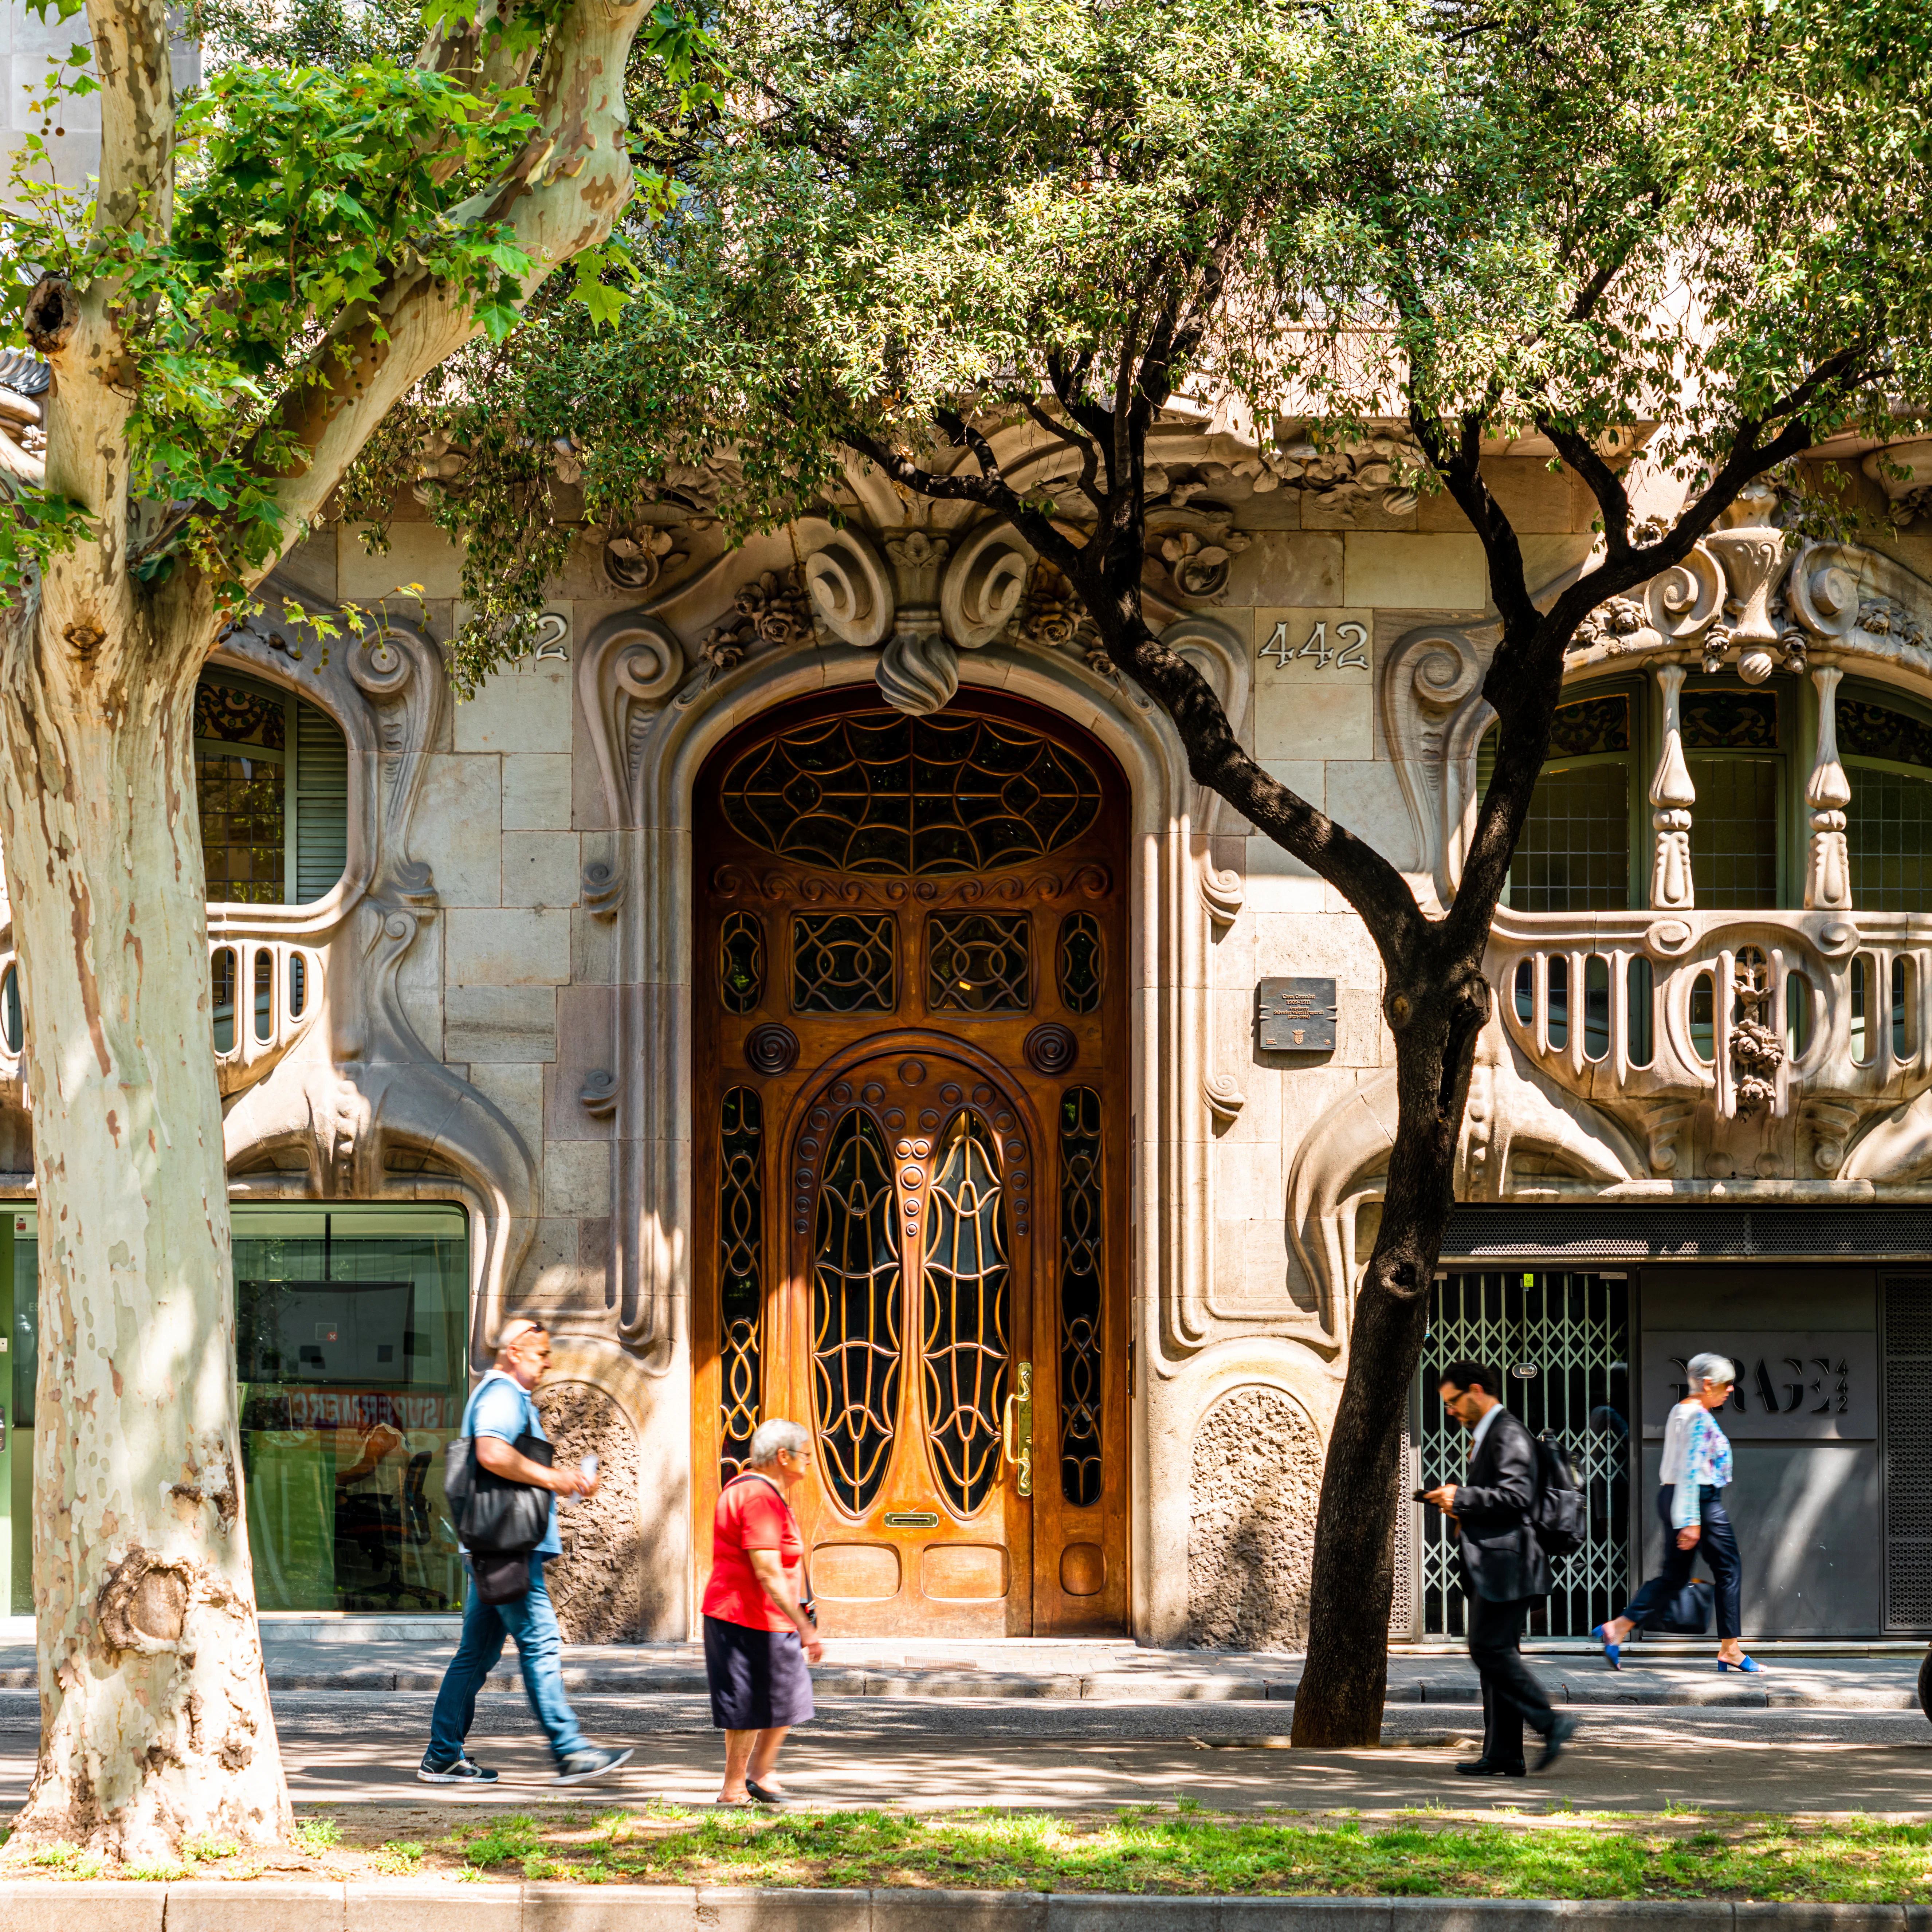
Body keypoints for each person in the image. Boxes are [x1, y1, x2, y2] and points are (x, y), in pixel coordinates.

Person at [419, 1318, 634, 1785]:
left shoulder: (503, 1396)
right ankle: (571, 1751)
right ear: (515, 1351)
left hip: (497, 1545)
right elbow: (492, 1453)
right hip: (508, 1549)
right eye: (541, 1354)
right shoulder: (501, 1395)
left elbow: (502, 1467)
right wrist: (556, 1478)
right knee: (539, 1643)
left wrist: (566, 1482)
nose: (548, 1363)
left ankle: (442, 1756)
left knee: (475, 1655)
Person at [1421, 1360, 1578, 1779]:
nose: (1450, 1411)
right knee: (1498, 1657)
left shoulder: (1507, 1432)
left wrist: (1462, 1497)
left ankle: (1550, 1722)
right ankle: (1504, 1753)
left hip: (1510, 1565)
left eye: (1453, 1402)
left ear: (1476, 1390)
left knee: (1488, 1650)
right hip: (1501, 1565)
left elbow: (1516, 1496)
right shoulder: (1491, 1433)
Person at [1593, 1351, 1759, 1673]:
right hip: (1698, 1500)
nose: (1731, 1390)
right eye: (1726, 1384)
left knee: (1674, 1577)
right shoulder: (1695, 1415)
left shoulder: (1682, 1411)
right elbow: (1688, 1469)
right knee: (1729, 1570)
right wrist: (1692, 1521)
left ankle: (1618, 1629)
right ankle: (1731, 1650)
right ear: (1708, 1384)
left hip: (1680, 1498)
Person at [702, 1419, 824, 1804]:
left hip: (767, 1617)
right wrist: (805, 1627)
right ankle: (734, 1786)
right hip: (744, 1616)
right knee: (748, 1704)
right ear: (783, 1457)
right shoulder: (757, 1497)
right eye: (805, 1454)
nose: (810, 1462)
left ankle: (760, 1772)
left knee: (789, 1697)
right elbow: (768, 1570)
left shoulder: (759, 1492)